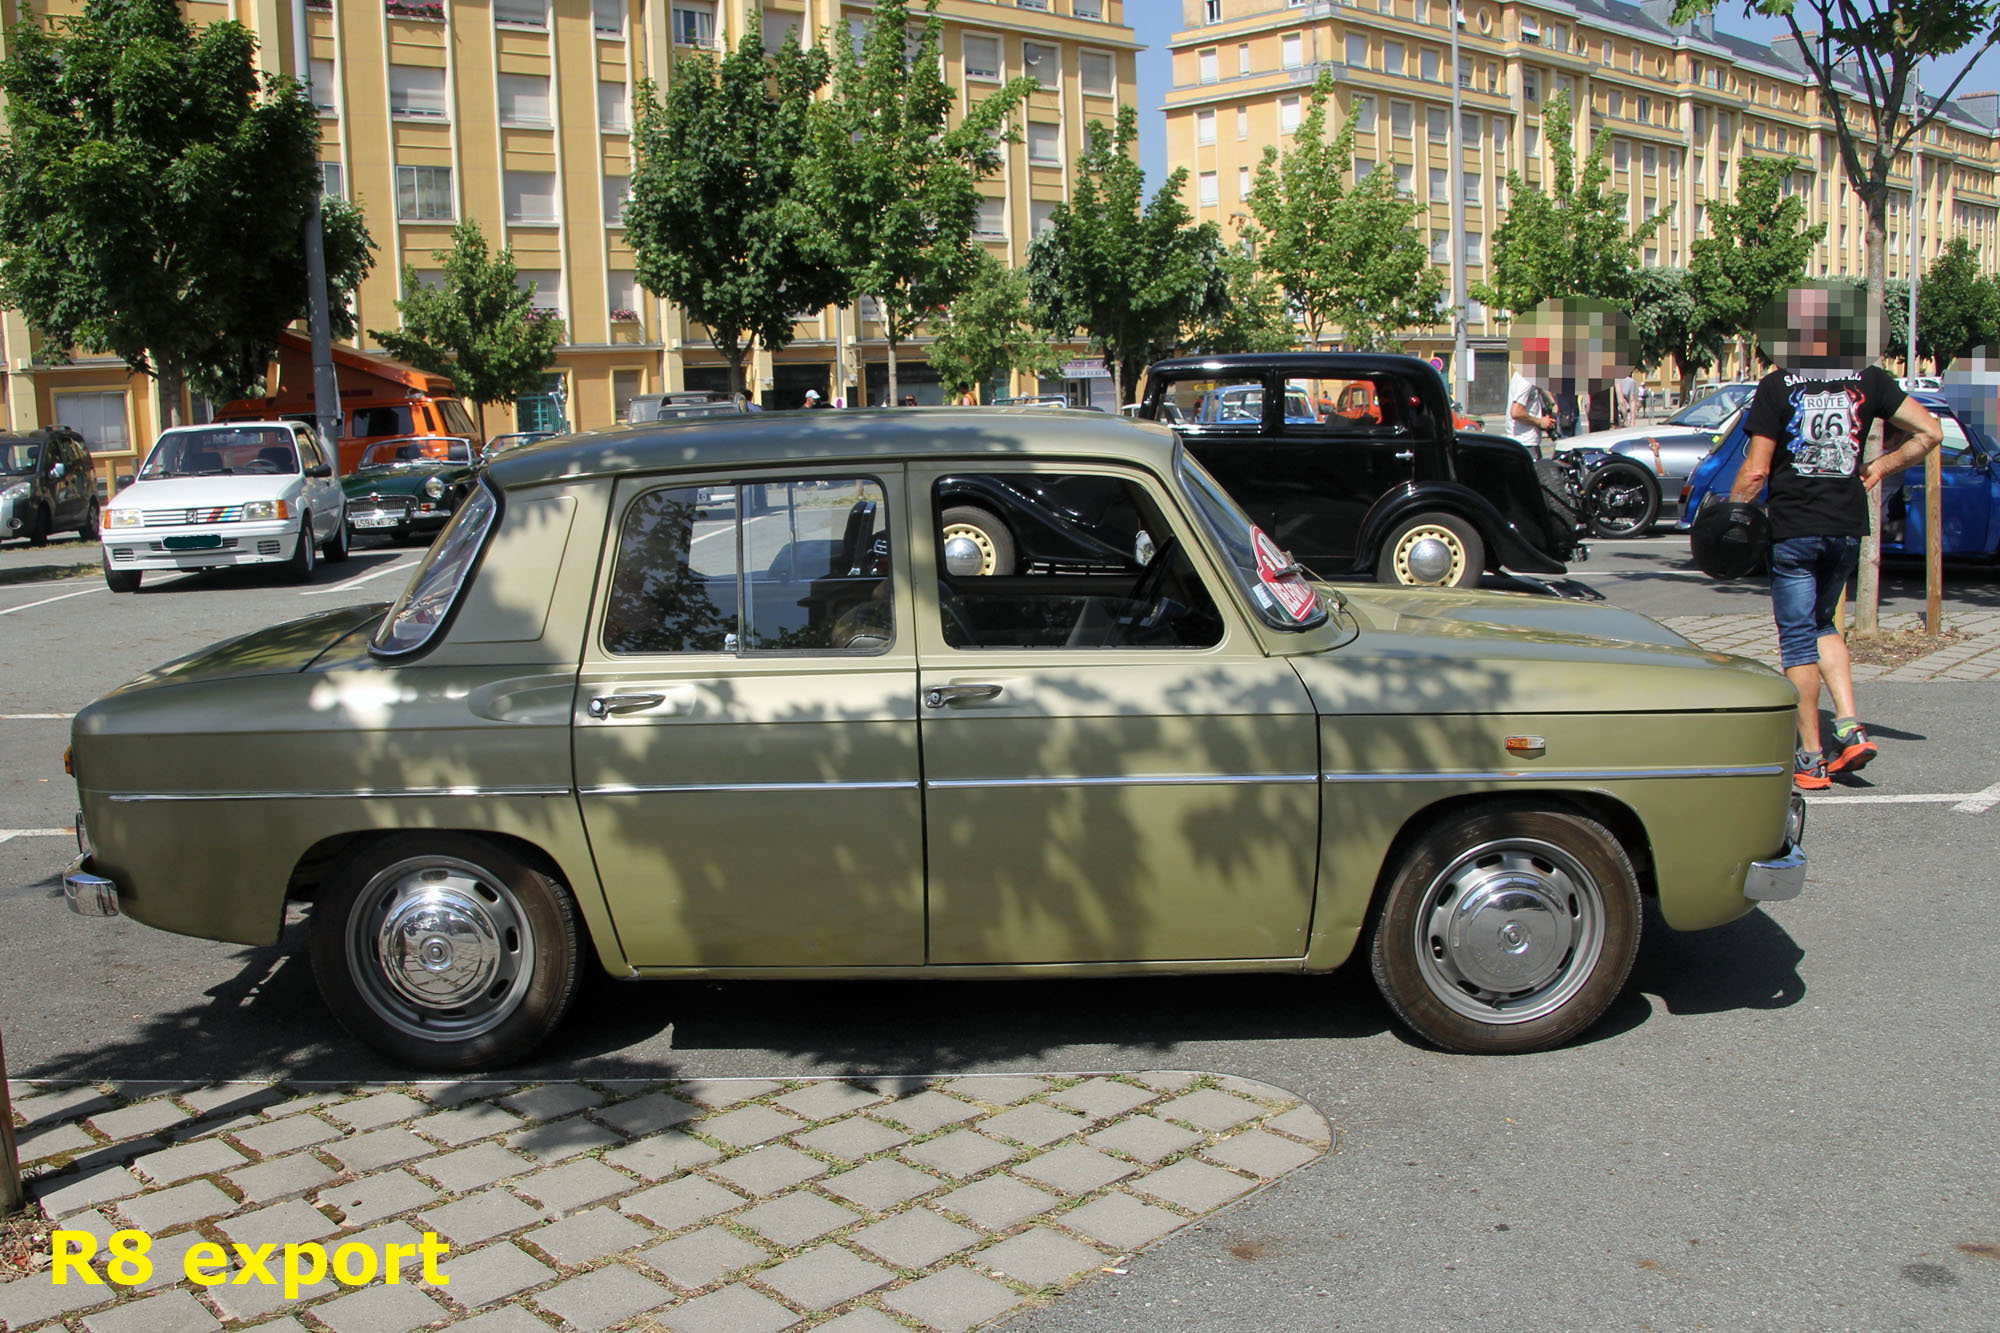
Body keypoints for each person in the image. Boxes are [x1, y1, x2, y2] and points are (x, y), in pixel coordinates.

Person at [1730, 284, 1944, 789]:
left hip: (1795, 530)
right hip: (1847, 528)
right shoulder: (1871, 379)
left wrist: (1731, 515)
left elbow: (1757, 471)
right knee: (1826, 624)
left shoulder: (1778, 386)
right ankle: (1849, 727)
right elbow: (1930, 432)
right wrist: (1879, 467)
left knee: (1798, 638)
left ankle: (1809, 758)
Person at [1508, 365, 1557, 454]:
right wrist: (1540, 422)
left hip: (1528, 442)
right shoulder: (1525, 378)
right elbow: (1516, 412)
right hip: (1525, 442)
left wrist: (1553, 404)